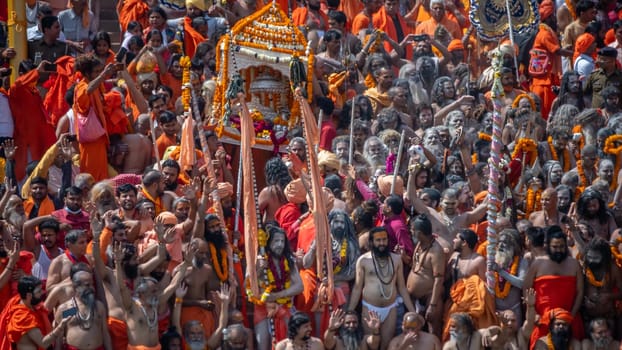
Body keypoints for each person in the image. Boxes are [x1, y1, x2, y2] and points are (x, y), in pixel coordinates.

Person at [348, 227, 415, 350]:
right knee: (370, 344)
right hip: (370, 308)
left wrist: (412, 311)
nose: (382, 243)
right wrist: (350, 312)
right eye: (378, 240)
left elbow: (402, 288)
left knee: (386, 345)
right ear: (372, 242)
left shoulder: (396, 259)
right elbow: (357, 288)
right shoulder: (363, 261)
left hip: (390, 308)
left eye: (384, 239)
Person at [523, 227, 585, 346]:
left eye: (561, 247)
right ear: (548, 247)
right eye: (555, 247)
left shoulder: (574, 264)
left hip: (569, 319)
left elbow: (580, 292)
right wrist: (533, 313)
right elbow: (526, 288)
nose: (559, 250)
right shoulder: (538, 263)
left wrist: (571, 315)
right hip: (543, 319)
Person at [0, 276, 70, 349]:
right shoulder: (23, 317)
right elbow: (43, 344)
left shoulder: (31, 303)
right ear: (29, 295)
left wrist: (75, 309)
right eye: (39, 291)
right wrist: (60, 327)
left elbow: (59, 314)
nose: (42, 293)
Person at [405, 214, 445, 338]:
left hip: (430, 297)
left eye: (412, 230)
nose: (410, 232)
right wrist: (404, 258)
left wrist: (432, 306)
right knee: (412, 332)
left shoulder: (436, 250)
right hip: (413, 297)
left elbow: (439, 279)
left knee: (433, 331)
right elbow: (416, 266)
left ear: (419, 232)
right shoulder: (420, 244)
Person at [54, 269, 112, 349]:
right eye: (87, 285)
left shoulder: (99, 306)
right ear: (76, 287)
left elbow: (105, 334)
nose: (92, 288)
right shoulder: (65, 309)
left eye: (92, 284)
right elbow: (58, 339)